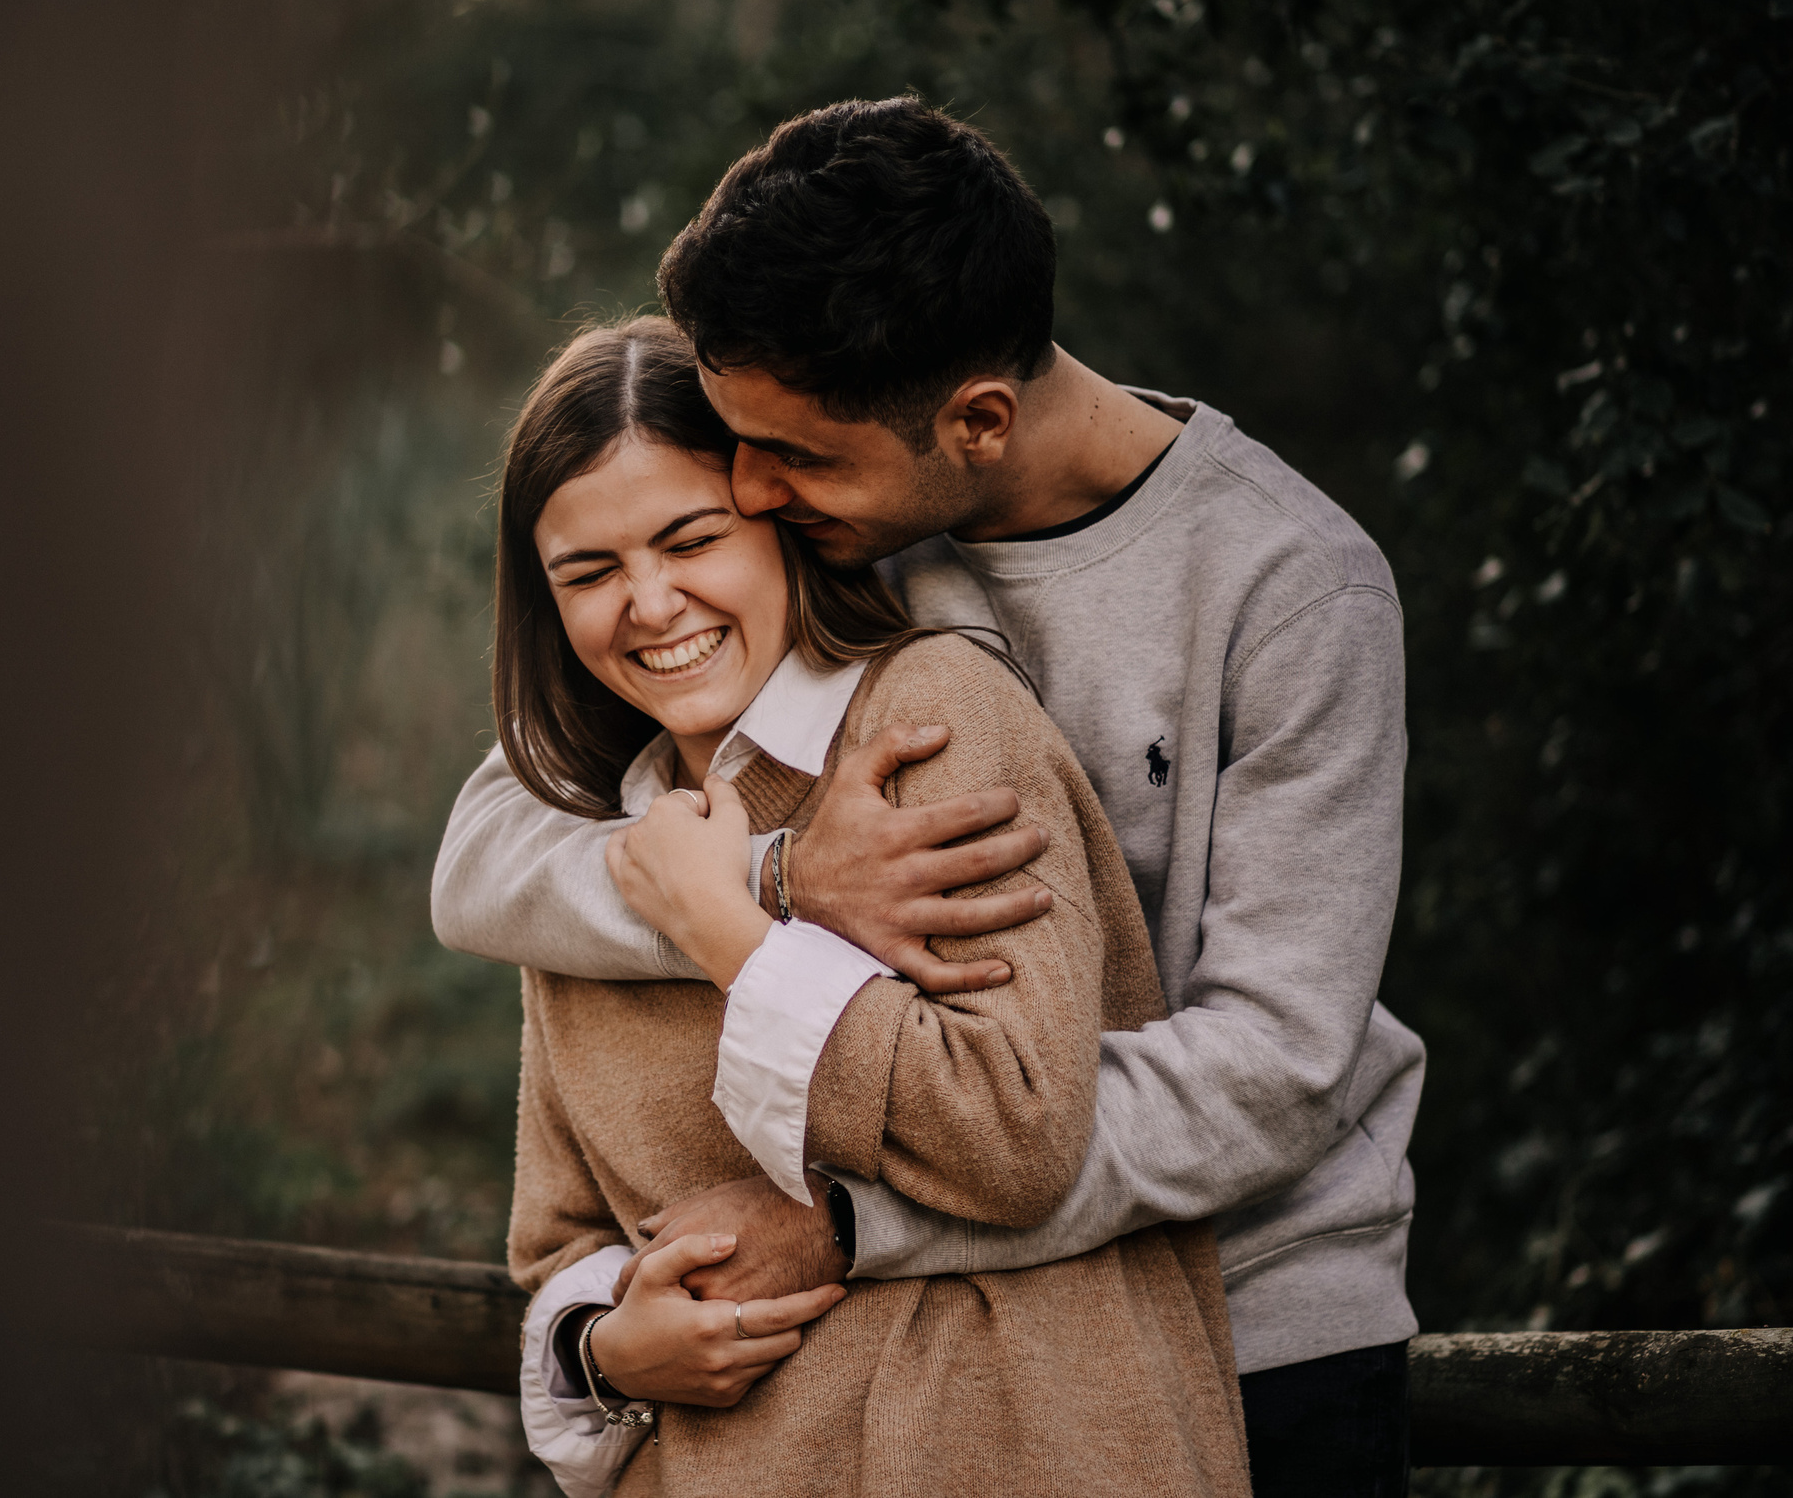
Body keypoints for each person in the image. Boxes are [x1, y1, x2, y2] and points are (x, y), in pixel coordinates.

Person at [435, 97, 1423, 1498]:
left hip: (1261, 1315)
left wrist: (848, 1220)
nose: (752, 490)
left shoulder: (1286, 589)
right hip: (929, 1345)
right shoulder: (830, 536)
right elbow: (494, 845)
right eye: (740, 447)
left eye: (792, 458)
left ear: (976, 421)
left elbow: (1271, 1070)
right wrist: (773, 880)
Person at [481, 318, 1249, 1497]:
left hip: (1006, 1446)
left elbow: (1015, 1133)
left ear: (778, 524)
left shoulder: (931, 721)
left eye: (691, 539)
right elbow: (560, 1240)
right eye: (588, 573)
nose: (647, 604)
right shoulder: (602, 840)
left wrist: (735, 938)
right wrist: (606, 1345)